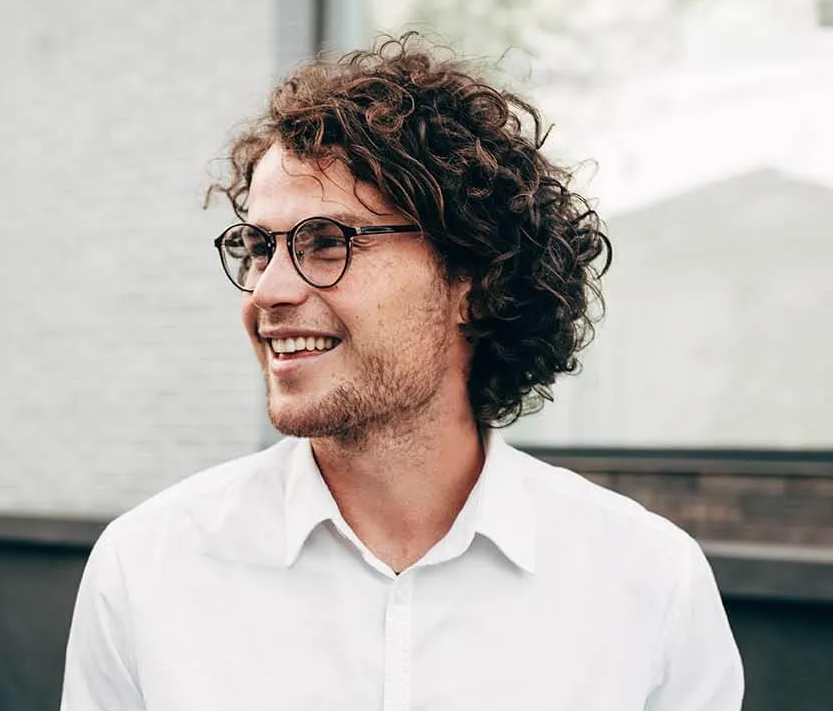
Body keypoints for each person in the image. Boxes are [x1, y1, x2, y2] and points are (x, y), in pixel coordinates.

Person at [60, 36, 743, 710]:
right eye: (258, 248)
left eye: (326, 242)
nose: (268, 291)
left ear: (473, 280)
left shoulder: (649, 585)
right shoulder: (148, 570)